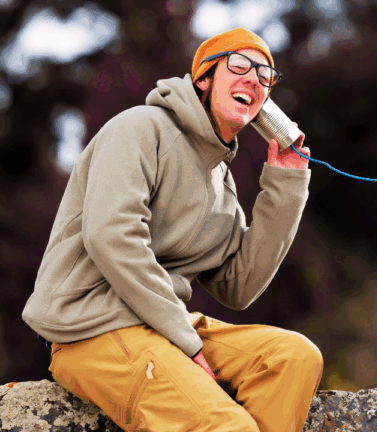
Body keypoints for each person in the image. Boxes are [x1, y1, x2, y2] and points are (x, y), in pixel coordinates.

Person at [22, 28, 322, 432]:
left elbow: (238, 287)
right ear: (203, 78)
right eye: (239, 65)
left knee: (293, 356)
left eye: (265, 76)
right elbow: (111, 237)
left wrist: (286, 185)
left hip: (163, 328)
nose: (254, 79)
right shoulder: (140, 128)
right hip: (91, 328)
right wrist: (187, 342)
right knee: (229, 427)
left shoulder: (221, 184)